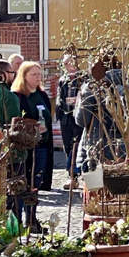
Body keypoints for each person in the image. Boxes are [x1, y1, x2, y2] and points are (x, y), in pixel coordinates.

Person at [11, 62, 54, 232]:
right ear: (24, 76)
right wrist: (33, 127)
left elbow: (49, 118)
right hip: (25, 148)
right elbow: (16, 123)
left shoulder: (42, 95)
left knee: (35, 183)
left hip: (41, 146)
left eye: (39, 74)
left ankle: (31, 219)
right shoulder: (19, 97)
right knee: (22, 183)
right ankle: (17, 220)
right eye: (34, 74)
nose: (38, 77)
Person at [55, 55, 86, 190]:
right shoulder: (63, 80)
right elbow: (59, 98)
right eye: (64, 64)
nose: (66, 66)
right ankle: (72, 177)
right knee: (68, 147)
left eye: (68, 63)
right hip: (65, 118)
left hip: (78, 118)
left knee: (78, 146)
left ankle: (77, 175)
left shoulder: (83, 79)